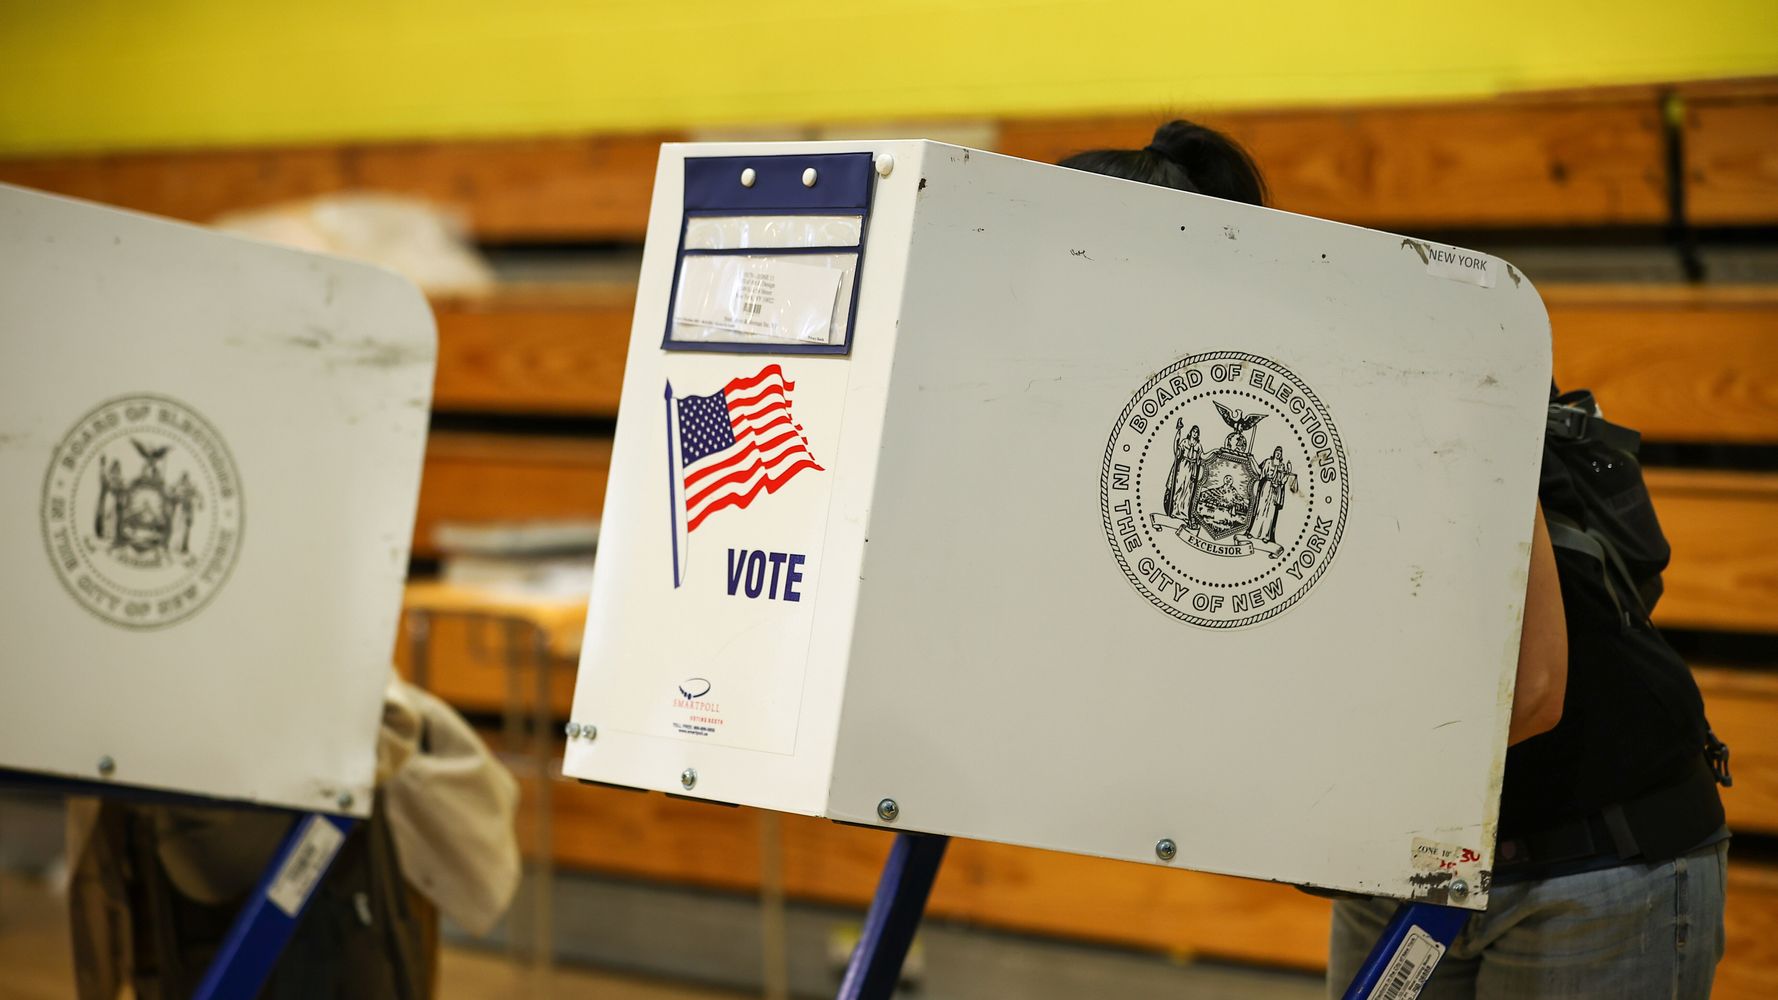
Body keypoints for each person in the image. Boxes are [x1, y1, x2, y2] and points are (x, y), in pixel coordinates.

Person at [1061, 120, 1728, 998]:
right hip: (1407, 857)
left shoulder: (1405, 373)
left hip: (1595, 858)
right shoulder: (1138, 420)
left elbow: (1530, 692)